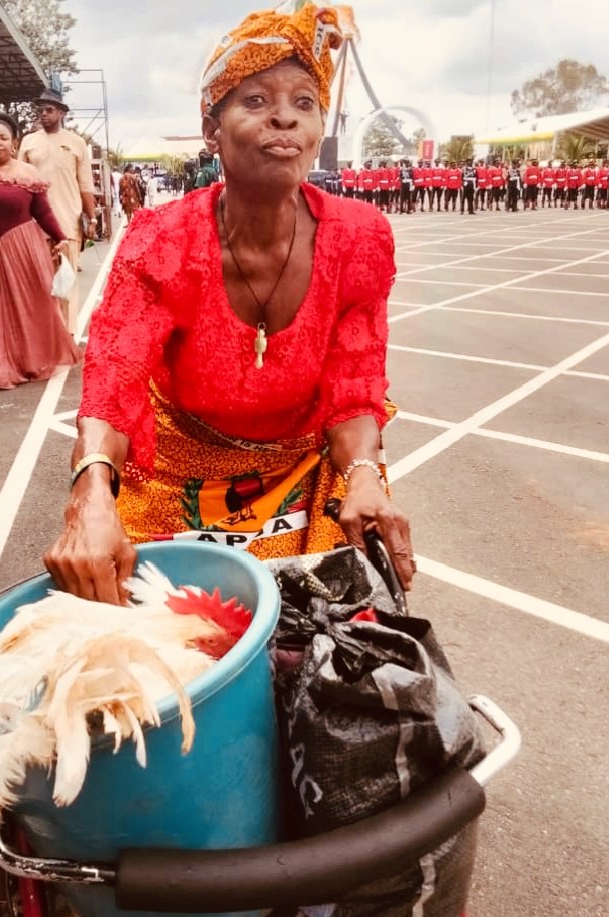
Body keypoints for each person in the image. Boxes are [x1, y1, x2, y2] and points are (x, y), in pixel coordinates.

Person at [43, 2, 415, 608]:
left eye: (304, 103)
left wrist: (365, 476)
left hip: (302, 471)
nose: (284, 118)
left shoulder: (359, 236)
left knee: (338, 623)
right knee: (140, 619)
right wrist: (90, 491)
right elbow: (114, 381)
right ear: (211, 129)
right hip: (176, 475)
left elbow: (353, 384)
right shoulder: (161, 239)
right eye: (256, 101)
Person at [0, 113, 83, 389]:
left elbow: (43, 212)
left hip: (23, 245)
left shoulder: (28, 173)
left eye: (3, 138)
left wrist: (60, 237)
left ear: (14, 143)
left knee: (32, 303)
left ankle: (32, 360)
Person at [19, 90, 98, 332]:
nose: (44, 114)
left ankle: (68, 334)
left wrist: (92, 218)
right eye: (41, 110)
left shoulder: (76, 143)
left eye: (49, 109)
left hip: (68, 224)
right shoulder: (28, 142)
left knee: (66, 281)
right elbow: (20, 183)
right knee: (40, 284)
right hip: (35, 226)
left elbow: (85, 185)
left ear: (61, 113)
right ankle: (47, 335)